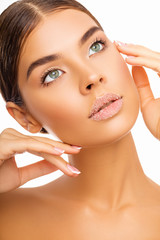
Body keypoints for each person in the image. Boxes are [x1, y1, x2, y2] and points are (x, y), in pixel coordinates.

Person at [0, 0, 160, 239]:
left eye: (95, 46)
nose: (92, 76)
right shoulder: (7, 217)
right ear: (25, 116)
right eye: (53, 74)